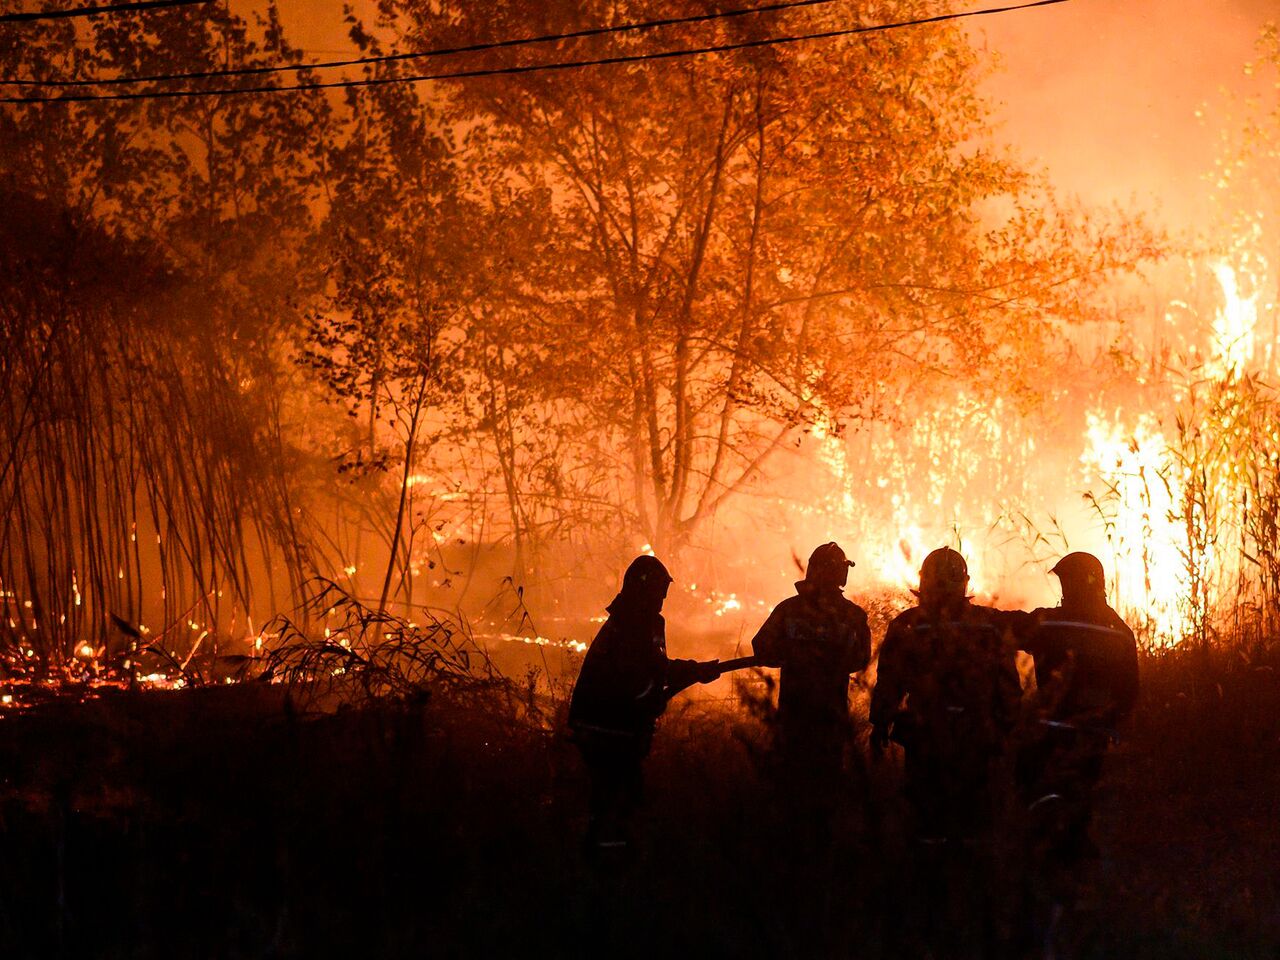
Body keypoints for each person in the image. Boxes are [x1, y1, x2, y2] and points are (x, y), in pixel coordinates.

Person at [567, 555, 717, 858]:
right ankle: (607, 862)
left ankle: (604, 855)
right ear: (643, 588)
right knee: (616, 794)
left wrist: (689, 672)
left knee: (615, 795)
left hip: (609, 724)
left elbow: (651, 671)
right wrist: (691, 671)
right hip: (606, 725)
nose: (663, 598)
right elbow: (648, 668)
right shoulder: (633, 623)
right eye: (659, 590)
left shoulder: (635, 619)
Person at [869, 547, 1022, 843]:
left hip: (925, 735)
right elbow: (1009, 685)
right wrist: (1006, 729)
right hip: (978, 736)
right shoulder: (989, 624)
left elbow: (890, 681)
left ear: (924, 581)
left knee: (927, 820)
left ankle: (928, 875)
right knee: (974, 820)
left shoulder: (908, 624)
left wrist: (880, 724)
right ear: (964, 582)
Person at [1016, 551, 1138, 867]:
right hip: (1095, 733)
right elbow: (1128, 693)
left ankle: (1052, 861)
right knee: (1083, 799)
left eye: (1066, 581)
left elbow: (1004, 629)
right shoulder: (1119, 630)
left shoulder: (1051, 623)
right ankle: (1079, 865)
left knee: (1042, 794)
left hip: (1054, 730)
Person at [750, 542, 872, 784]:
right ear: (842, 574)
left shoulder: (789, 609)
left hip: (793, 711)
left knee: (791, 776)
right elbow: (861, 658)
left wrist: (794, 656)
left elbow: (762, 647)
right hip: (831, 713)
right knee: (827, 777)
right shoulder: (853, 615)